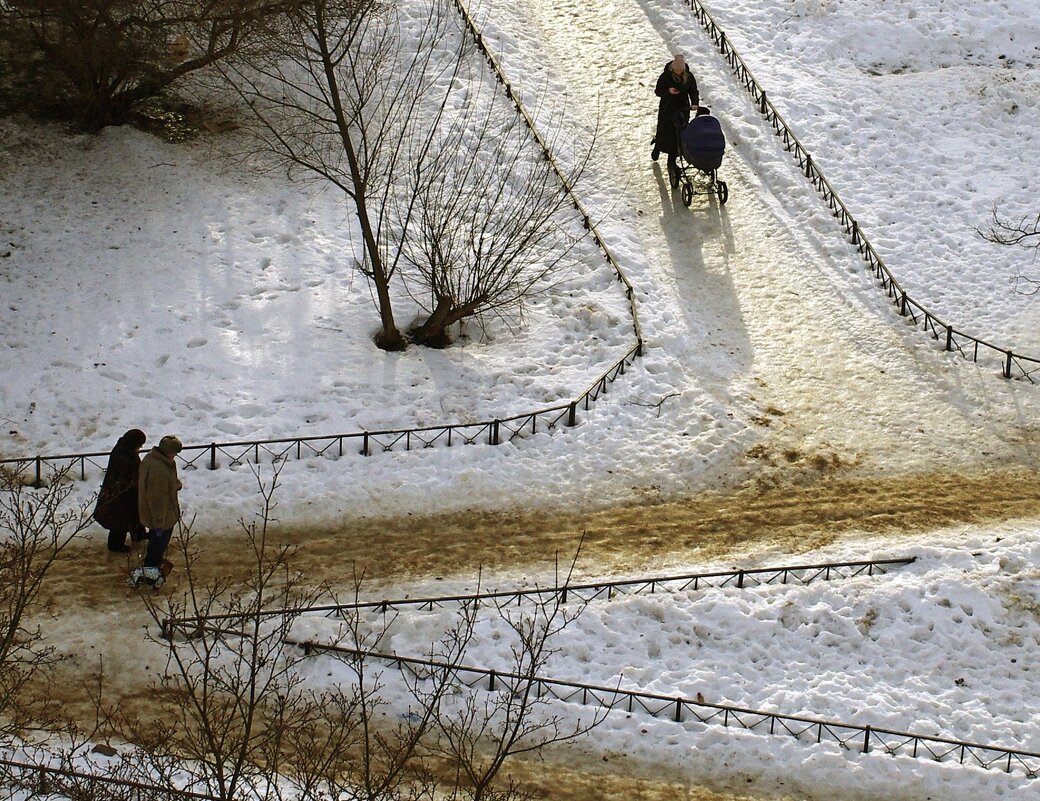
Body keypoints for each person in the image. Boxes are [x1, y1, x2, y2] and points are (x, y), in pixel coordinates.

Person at [130, 434, 183, 588]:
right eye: (174, 453)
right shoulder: (159, 470)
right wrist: (159, 523)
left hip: (156, 515)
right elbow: (157, 500)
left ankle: (149, 570)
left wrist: (175, 484)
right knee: (156, 547)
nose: (175, 456)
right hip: (162, 518)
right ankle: (148, 574)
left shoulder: (152, 459)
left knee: (155, 545)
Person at [93, 428, 147, 553]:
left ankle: (138, 534)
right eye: (139, 445)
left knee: (134, 515)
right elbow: (126, 476)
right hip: (120, 495)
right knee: (120, 521)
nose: (140, 448)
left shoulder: (123, 449)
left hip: (124, 492)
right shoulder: (124, 457)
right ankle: (115, 545)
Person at [651, 54, 700, 169]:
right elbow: (658, 91)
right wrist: (668, 91)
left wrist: (695, 103)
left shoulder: (689, 77)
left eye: (680, 70)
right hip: (667, 108)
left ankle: (671, 161)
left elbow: (693, 91)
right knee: (664, 131)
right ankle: (658, 147)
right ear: (673, 68)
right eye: (676, 70)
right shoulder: (665, 76)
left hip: (683, 108)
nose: (678, 72)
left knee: (678, 134)